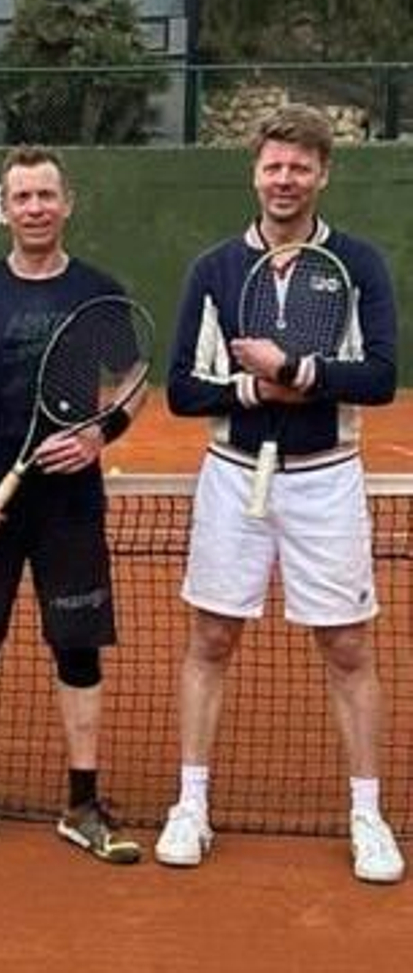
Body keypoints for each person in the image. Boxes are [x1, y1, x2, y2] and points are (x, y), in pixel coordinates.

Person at [158, 103, 404, 884]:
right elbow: (182, 389)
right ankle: (190, 804)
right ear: (254, 173)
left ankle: (367, 814)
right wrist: (258, 387)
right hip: (233, 476)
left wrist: (298, 371)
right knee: (211, 638)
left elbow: (381, 375)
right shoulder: (215, 270)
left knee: (348, 647)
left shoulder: (358, 264)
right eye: (274, 166)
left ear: (323, 173)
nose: (285, 179)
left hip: (328, 478)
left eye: (300, 167)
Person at [0, 146, 144, 864]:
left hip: (70, 504)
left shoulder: (97, 293)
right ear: (4, 207)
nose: (35, 208)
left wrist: (102, 433)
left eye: (46, 195)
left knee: (77, 647)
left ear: (66, 203)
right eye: (22, 197)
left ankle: (83, 804)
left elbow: (134, 373)